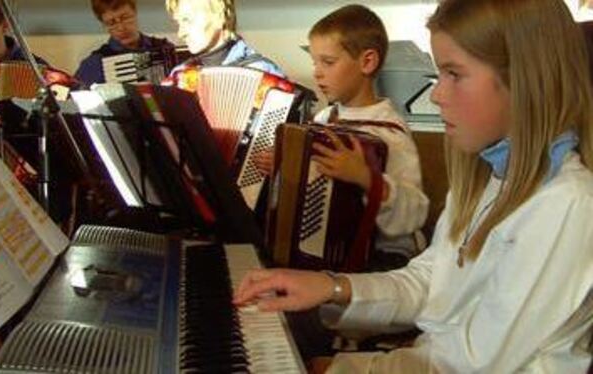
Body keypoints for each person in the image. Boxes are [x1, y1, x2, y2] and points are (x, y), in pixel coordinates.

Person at [235, 0, 593, 372]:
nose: (437, 94)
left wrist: (345, 368)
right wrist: (331, 286)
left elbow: (471, 363)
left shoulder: (567, 204)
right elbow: (430, 282)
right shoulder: (487, 177)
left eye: (454, 73)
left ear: (526, 78)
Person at [258, 4, 429, 262]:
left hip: (385, 258)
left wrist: (365, 177)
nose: (316, 72)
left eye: (328, 62)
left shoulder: (390, 132)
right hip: (327, 250)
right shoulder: (324, 120)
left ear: (367, 62)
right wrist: (286, 169)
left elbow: (414, 213)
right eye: (314, 62)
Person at [165, 0, 283, 77]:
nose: (181, 33)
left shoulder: (261, 72)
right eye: (178, 23)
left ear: (220, 18)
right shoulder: (179, 75)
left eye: (187, 20)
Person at [74, 0, 176, 86]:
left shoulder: (165, 48)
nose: (121, 28)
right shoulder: (95, 63)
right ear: (104, 25)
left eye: (125, 17)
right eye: (111, 23)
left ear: (135, 12)